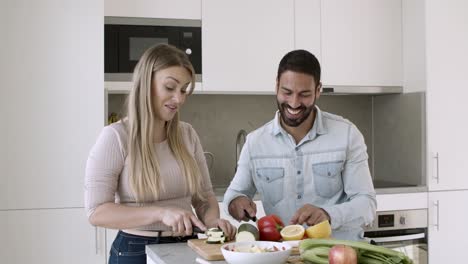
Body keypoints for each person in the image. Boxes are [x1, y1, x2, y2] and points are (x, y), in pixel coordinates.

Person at [85, 44, 236, 264]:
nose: (179, 99)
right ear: (146, 85)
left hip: (188, 246)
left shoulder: (187, 134)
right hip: (135, 250)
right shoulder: (115, 137)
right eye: (170, 87)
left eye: (183, 90)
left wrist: (212, 220)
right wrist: (160, 213)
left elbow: (204, 197)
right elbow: (97, 211)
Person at [223, 49, 376, 241]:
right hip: (284, 255)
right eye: (287, 92)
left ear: (318, 90)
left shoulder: (346, 135)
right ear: (276, 86)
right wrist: (236, 203)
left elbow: (367, 204)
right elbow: (234, 194)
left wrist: (328, 215)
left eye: (304, 94)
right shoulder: (255, 143)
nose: (294, 103)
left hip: (338, 252)